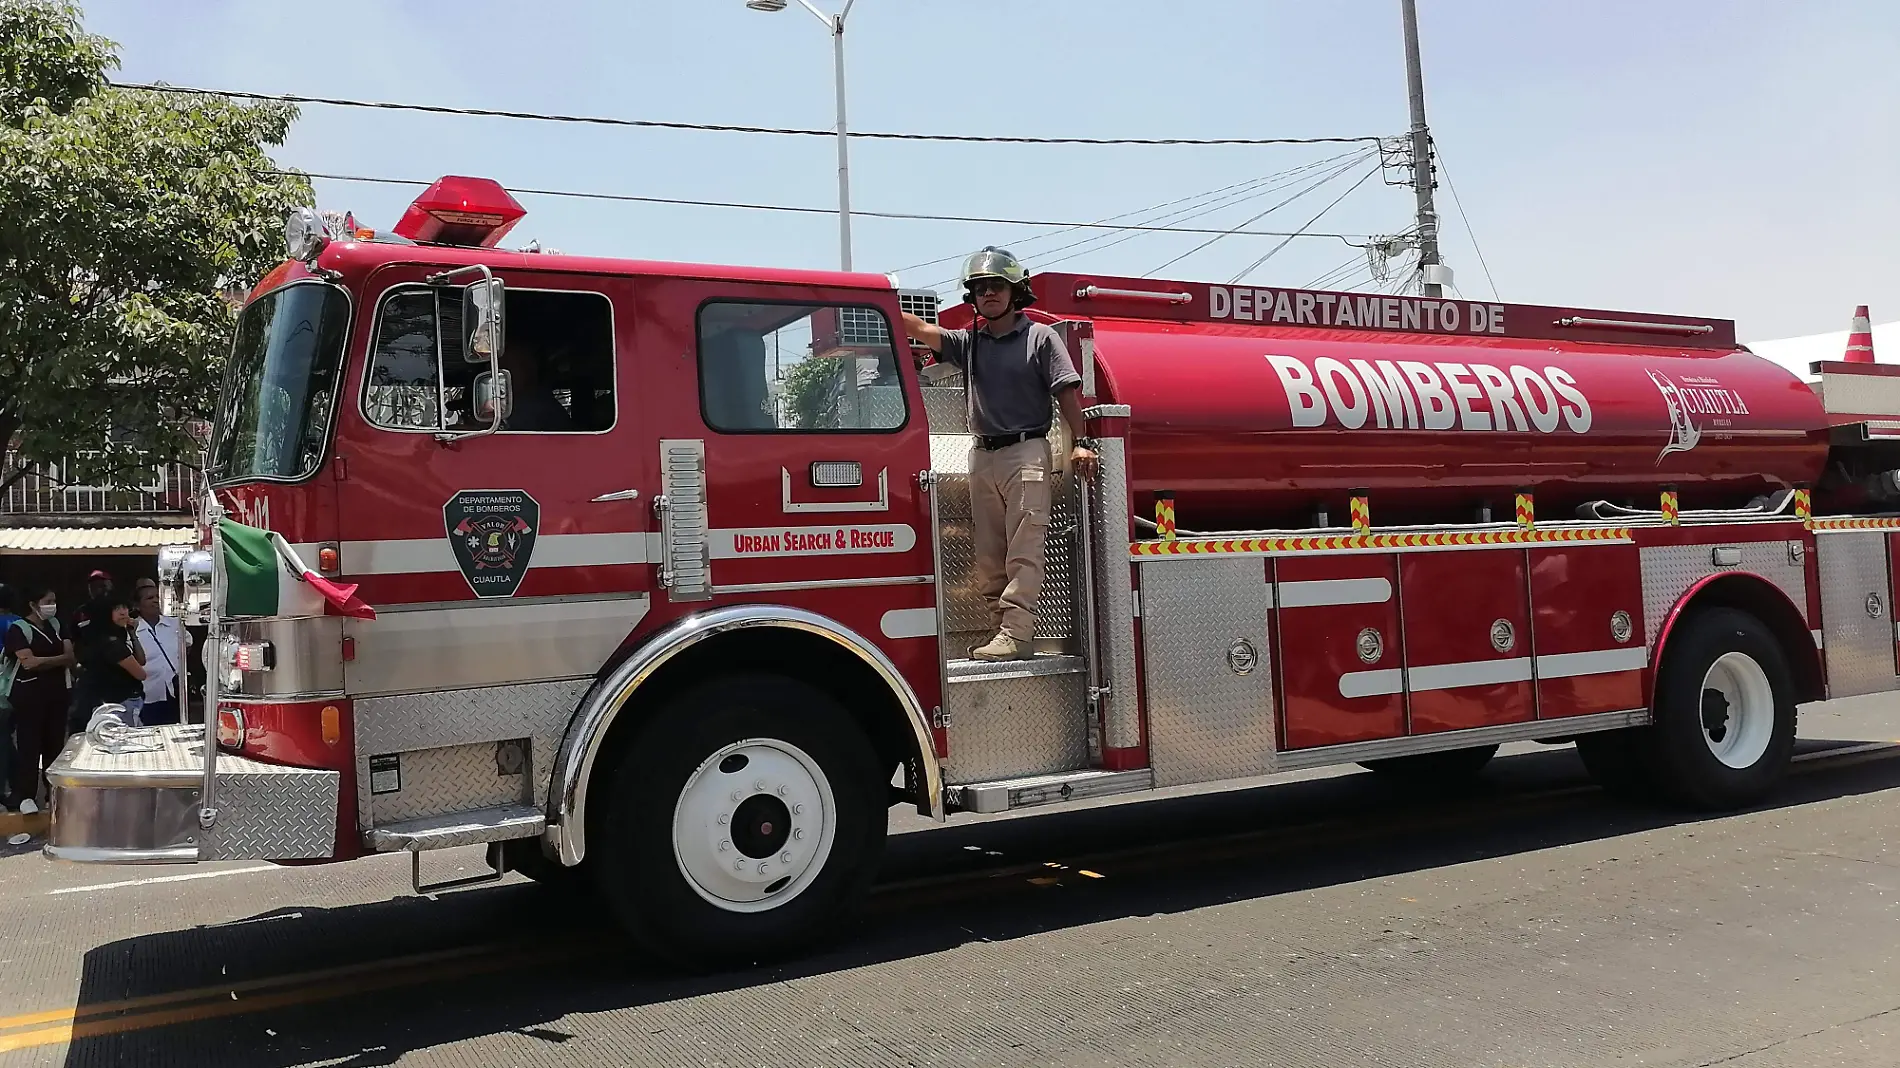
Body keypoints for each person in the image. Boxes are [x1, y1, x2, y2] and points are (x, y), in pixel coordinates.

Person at [901, 247, 1098, 661]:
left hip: (1026, 452)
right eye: (979, 288)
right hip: (983, 455)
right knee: (989, 553)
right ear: (971, 298)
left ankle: (1017, 633)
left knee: (1023, 549)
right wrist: (877, 299)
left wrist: (1081, 441)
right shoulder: (969, 343)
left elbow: (1067, 392)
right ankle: (1001, 632)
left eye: (996, 287)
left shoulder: (1040, 339)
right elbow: (920, 328)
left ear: (1016, 292)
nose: (987, 294)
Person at [4, 586, 74, 814]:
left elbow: (70, 657)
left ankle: (53, 794)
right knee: (29, 746)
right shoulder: (18, 629)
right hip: (29, 697)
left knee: (55, 745)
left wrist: (47, 660)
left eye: (54, 600)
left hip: (57, 695)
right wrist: (58, 659)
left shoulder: (56, 625)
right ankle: (25, 796)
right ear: (33, 605)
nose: (52, 605)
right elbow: (28, 663)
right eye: (47, 601)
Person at [69, 593, 145, 733]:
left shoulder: (111, 638)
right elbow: (141, 674)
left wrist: (133, 634)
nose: (123, 612)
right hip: (115, 706)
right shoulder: (110, 644)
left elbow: (141, 660)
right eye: (116, 609)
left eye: (124, 607)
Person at [132, 578, 189, 726]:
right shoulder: (133, 629)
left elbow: (187, 645)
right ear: (137, 605)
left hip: (174, 693)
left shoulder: (174, 623)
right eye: (149, 598)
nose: (156, 601)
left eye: (158, 597)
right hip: (147, 693)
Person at [497, 338, 574, 432]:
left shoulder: (544, 409)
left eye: (507, 367)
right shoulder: (502, 403)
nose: (500, 374)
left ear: (529, 370)